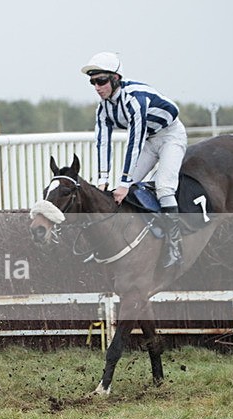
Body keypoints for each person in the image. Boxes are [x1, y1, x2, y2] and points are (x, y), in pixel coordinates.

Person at [82, 52, 187, 268]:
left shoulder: (134, 99)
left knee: (164, 188)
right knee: (124, 191)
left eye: (101, 81)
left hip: (170, 136)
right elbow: (102, 143)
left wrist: (123, 182)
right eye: (93, 82)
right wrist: (103, 180)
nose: (97, 87)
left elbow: (134, 142)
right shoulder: (103, 108)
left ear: (115, 78)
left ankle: (174, 246)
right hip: (150, 139)